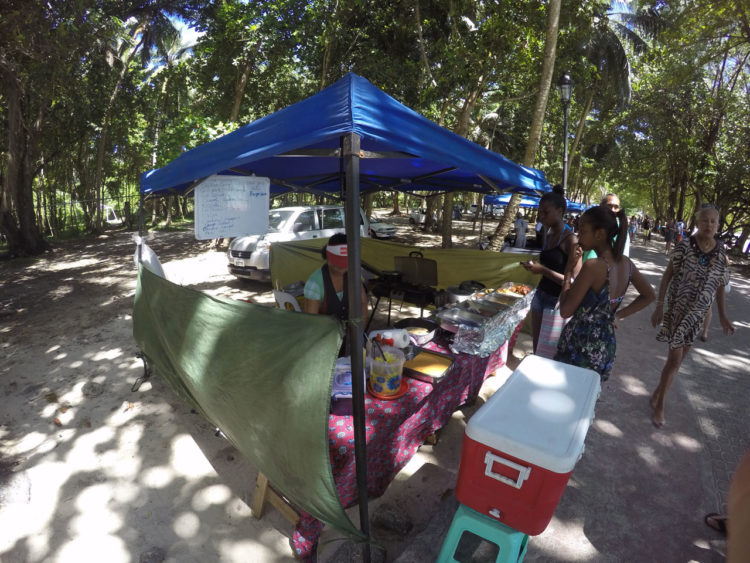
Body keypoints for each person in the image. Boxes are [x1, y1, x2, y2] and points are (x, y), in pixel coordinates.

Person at [650, 204, 734, 427]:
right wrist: (659, 305)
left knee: (677, 362)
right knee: (674, 359)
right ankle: (660, 406)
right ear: (698, 223)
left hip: (697, 316)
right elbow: (667, 276)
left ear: (718, 225)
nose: (709, 225)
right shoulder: (685, 246)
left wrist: (723, 316)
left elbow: (719, 286)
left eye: (713, 221)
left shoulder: (720, 253)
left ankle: (658, 392)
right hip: (678, 310)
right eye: (705, 220)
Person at [555, 206, 655, 379]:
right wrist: (617, 315)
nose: (578, 236)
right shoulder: (627, 264)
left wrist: (569, 270)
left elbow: (565, 311)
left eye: (583, 231)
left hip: (580, 346)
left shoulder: (594, 266)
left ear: (599, 234)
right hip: (604, 346)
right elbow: (649, 295)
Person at [521, 185, 581, 353]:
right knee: (537, 348)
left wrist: (543, 271)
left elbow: (575, 282)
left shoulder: (571, 240)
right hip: (540, 296)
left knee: (549, 352)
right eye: (540, 212)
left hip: (557, 302)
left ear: (560, 211)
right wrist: (535, 267)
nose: (541, 217)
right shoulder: (548, 235)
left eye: (545, 212)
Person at [304, 233, 368, 319]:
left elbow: (362, 305)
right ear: (326, 256)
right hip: (324, 330)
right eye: (337, 261)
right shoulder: (315, 283)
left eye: (345, 263)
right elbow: (311, 320)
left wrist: (358, 330)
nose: (341, 266)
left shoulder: (353, 274)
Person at [582, 193, 630, 261]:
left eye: (616, 207)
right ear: (601, 205)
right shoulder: (591, 223)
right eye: (609, 206)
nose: (613, 209)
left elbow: (624, 258)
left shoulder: (621, 229)